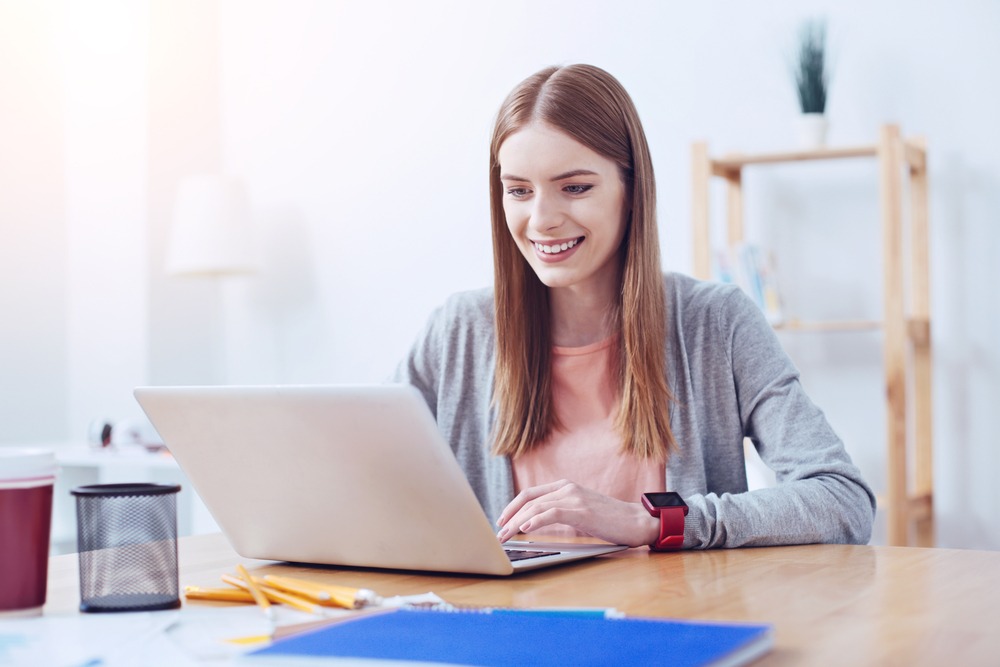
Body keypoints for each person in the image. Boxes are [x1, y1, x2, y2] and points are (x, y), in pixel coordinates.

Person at [393, 64, 875, 549]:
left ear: (631, 190)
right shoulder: (458, 332)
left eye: (575, 187)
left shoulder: (714, 323)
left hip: (670, 621)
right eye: (519, 190)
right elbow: (359, 476)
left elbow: (841, 500)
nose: (541, 219)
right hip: (508, 624)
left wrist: (656, 521)